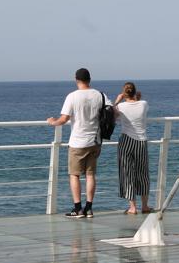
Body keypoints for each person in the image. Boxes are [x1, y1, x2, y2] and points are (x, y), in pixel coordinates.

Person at [47, 68, 111, 218]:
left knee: (74, 175)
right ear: (90, 79)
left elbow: (63, 119)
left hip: (77, 142)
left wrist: (52, 122)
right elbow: (112, 110)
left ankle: (77, 208)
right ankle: (89, 208)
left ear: (76, 80)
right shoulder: (100, 95)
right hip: (95, 141)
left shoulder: (72, 96)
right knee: (90, 175)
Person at [114, 82, 151, 214]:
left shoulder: (120, 106)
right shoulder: (144, 104)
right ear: (135, 92)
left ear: (124, 94)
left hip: (126, 141)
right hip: (141, 141)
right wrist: (138, 99)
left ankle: (133, 207)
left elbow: (112, 116)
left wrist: (116, 101)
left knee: (127, 173)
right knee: (143, 174)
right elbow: (139, 107)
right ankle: (145, 206)